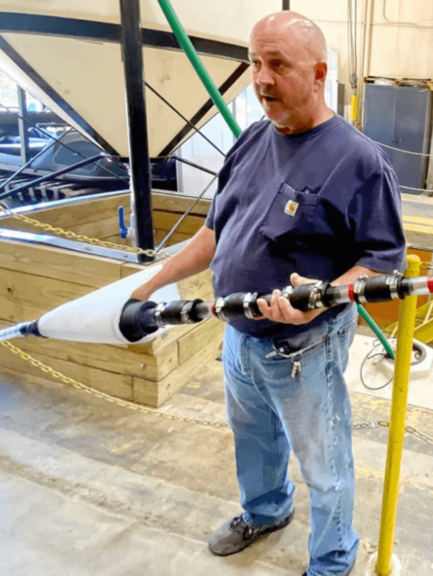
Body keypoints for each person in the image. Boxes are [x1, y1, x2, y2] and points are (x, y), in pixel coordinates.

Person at [130, 11, 406, 576]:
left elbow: (382, 262)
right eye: (256, 62)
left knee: (324, 461)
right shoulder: (254, 138)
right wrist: (150, 281)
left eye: (278, 64)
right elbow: (215, 233)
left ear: (319, 72)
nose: (261, 78)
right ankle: (266, 510)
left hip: (305, 349)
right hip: (239, 334)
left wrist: (329, 292)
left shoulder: (359, 161)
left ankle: (332, 559)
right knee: (252, 437)